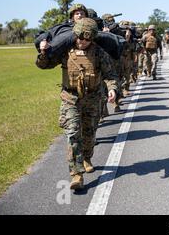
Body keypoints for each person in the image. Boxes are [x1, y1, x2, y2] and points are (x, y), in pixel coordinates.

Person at [36, 18, 118, 190]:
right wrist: (43, 53)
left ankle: (87, 157)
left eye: (87, 39)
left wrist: (112, 89)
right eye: (80, 38)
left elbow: (111, 75)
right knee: (73, 133)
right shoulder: (65, 50)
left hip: (93, 98)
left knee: (89, 134)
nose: (82, 42)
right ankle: (76, 174)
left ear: (93, 38)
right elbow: (44, 65)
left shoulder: (99, 53)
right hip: (70, 98)